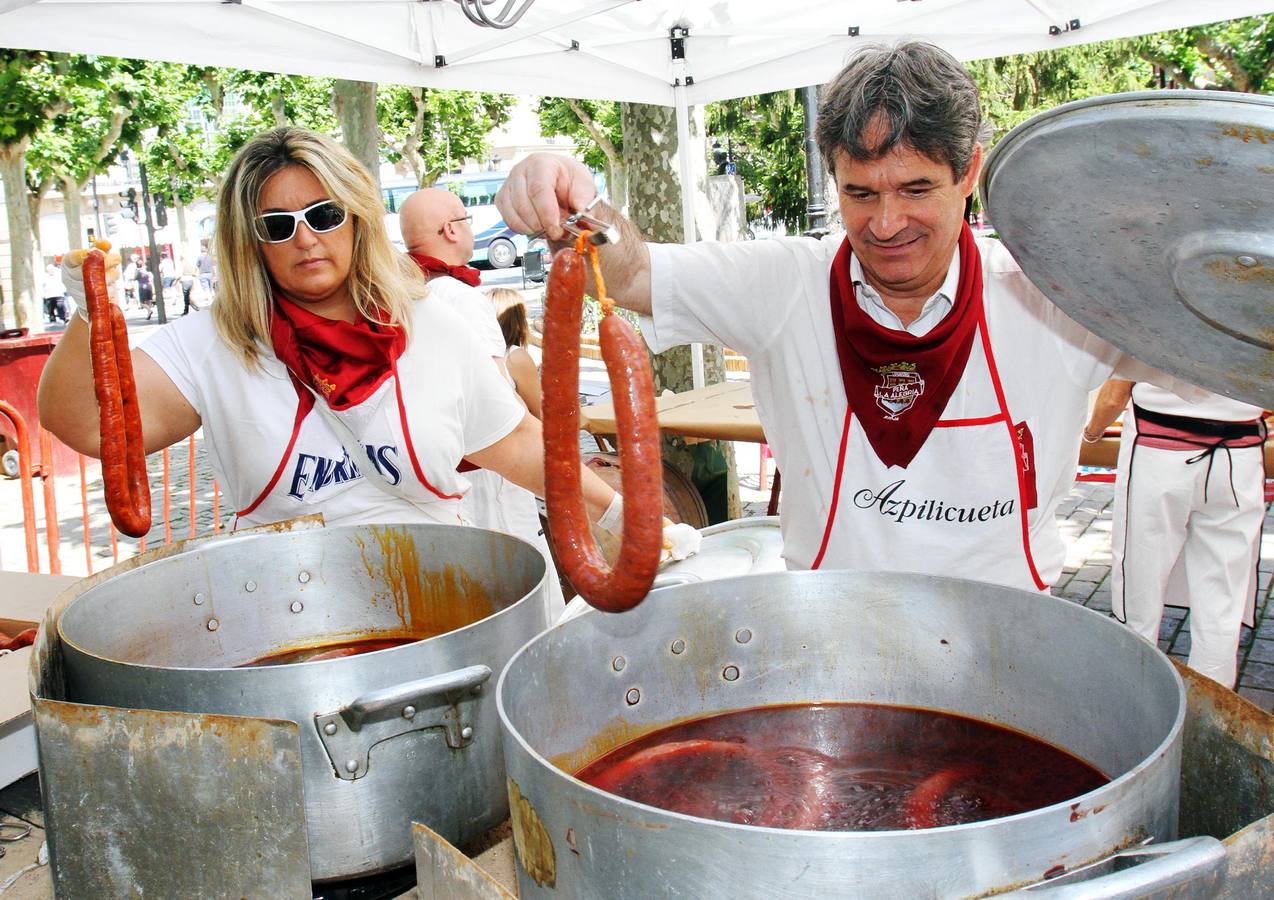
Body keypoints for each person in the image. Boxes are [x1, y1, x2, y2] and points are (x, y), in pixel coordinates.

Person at [496, 41, 1193, 594]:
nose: (886, 224)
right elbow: (634, 271)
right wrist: (570, 200)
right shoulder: (784, 282)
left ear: (970, 171)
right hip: (833, 632)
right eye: (859, 193)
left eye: (916, 189)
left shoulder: (1054, 293)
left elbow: (1211, 342)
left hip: (1009, 640)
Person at [39, 128, 693, 585]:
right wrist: (89, 312)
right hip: (289, 621)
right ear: (252, 242)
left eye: (323, 214)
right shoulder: (214, 341)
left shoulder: (431, 321)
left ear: (355, 217)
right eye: (277, 225)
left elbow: (520, 443)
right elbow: (89, 426)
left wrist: (625, 519)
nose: (305, 238)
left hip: (441, 604)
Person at [397, 188, 566, 613]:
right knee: (525, 592)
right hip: (487, 472)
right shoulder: (460, 297)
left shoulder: (398, 300)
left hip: (435, 474)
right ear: (451, 229)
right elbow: (495, 397)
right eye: (467, 220)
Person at [1084, 380, 1267, 687]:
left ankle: (1133, 703)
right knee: (1222, 606)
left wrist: (1091, 433)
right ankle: (1209, 718)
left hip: (1158, 451)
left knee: (1138, 598)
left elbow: (1114, 395)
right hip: (1239, 456)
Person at [488, 287, 542, 419]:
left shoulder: (477, 352)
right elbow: (540, 415)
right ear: (518, 322)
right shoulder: (515, 357)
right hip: (514, 435)